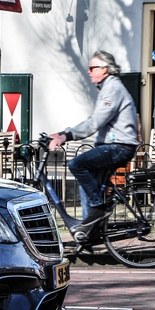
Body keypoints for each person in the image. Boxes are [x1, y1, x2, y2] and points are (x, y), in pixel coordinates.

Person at [49, 50, 140, 240]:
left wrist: (66, 136)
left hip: (119, 147)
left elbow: (95, 122)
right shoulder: (107, 88)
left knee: (77, 165)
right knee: (87, 183)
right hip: (113, 146)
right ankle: (89, 232)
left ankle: (98, 209)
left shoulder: (113, 89)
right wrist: (62, 132)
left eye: (92, 68)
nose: (89, 72)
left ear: (105, 69)